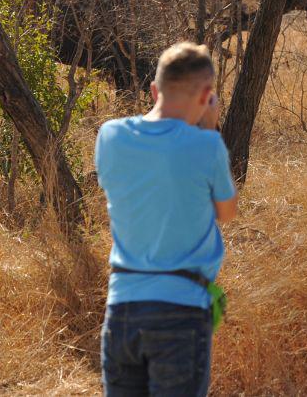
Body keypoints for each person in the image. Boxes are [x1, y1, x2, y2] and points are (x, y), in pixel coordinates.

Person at [96, 42, 238, 397]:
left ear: (154, 90)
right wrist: (208, 129)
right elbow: (228, 212)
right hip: (181, 311)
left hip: (121, 308)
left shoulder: (109, 136)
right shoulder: (207, 145)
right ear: (207, 95)